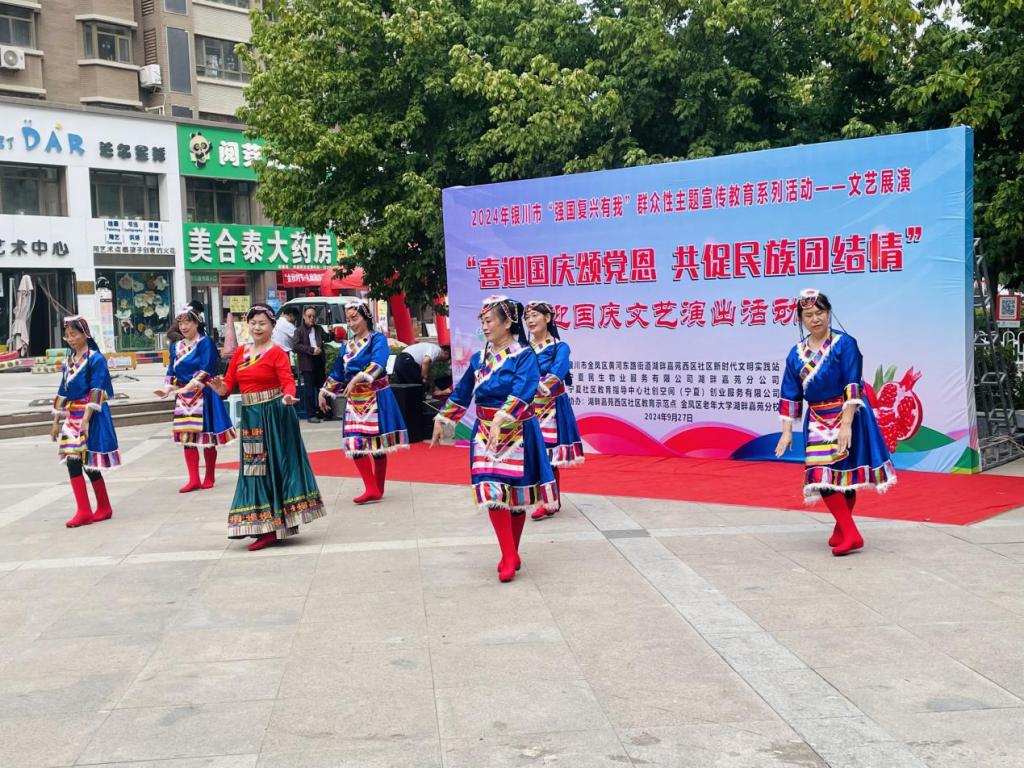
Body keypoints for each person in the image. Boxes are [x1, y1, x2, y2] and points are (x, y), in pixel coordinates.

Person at [431, 296, 558, 583]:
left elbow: (524, 389)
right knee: (491, 491)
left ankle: (511, 552)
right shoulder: (479, 358)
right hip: (485, 432)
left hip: (518, 431)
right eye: (483, 321)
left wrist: (504, 416)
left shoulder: (524, 355)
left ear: (507, 322)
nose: (485, 327)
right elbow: (463, 392)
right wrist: (443, 418)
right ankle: (508, 553)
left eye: (489, 321)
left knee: (515, 495)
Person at [775, 289, 896, 556]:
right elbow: (790, 392)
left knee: (843, 475)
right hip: (817, 418)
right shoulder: (796, 354)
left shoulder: (845, 344)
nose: (815, 319)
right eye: (809, 315)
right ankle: (845, 530)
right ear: (801, 319)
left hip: (847, 412)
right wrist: (786, 432)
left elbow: (853, 383)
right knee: (821, 475)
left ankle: (848, 532)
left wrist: (847, 424)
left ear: (829, 313)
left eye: (820, 312)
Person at [209, 304, 326, 551]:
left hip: (274, 416)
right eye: (253, 323)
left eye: (262, 323)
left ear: (273, 326)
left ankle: (273, 527)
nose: (257, 327)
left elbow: (288, 382)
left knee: (274, 468)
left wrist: (289, 396)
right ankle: (261, 522)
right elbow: (228, 384)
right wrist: (220, 388)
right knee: (254, 470)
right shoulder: (241, 353)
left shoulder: (277, 353)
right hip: (252, 418)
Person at [320, 299, 409, 504]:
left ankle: (377, 487)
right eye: (348, 320)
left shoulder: (377, 339)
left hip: (375, 396)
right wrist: (324, 391)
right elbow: (338, 372)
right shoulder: (346, 346)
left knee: (376, 445)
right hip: (355, 400)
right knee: (354, 443)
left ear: (366, 317)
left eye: (355, 318)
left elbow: (378, 363)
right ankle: (371, 487)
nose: (351, 323)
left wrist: (358, 378)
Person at [154, 306, 237, 493]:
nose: (184, 327)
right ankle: (193, 479)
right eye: (181, 323)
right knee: (187, 437)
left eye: (188, 322)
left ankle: (209, 476)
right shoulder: (176, 346)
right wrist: (167, 388)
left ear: (197, 323)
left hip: (204, 392)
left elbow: (206, 368)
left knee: (207, 437)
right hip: (183, 395)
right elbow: (171, 370)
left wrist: (189, 386)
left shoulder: (205, 342)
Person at [51, 317, 120, 528]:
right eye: (67, 336)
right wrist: (56, 420)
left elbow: (97, 389)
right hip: (73, 416)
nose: (71, 339)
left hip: (91, 415)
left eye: (74, 334)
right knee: (73, 461)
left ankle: (102, 507)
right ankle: (85, 510)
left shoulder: (96, 359)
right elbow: (63, 390)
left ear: (85, 334)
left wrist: (87, 419)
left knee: (89, 464)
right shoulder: (69, 360)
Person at [524, 300, 584, 520]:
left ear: (548, 318)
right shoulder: (524, 350)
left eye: (535, 316)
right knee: (528, 454)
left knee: (548, 457)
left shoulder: (560, 347)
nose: (530, 321)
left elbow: (557, 373)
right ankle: (533, 497)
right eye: (527, 317)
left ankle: (550, 502)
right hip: (527, 408)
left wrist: (529, 387)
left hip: (551, 409)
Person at [292, 305, 331, 423]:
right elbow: (295, 346)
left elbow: (327, 338)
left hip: (319, 360)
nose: (312, 318)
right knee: (309, 390)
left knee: (323, 388)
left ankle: (325, 412)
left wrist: (331, 333)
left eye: (314, 316)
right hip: (307, 363)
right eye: (309, 316)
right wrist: (311, 350)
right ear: (304, 317)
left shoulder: (318, 329)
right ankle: (311, 414)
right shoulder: (299, 330)